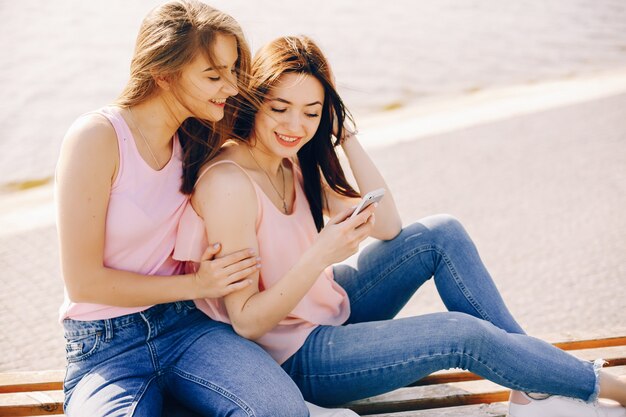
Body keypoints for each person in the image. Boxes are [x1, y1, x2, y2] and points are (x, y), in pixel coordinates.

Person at [175, 35, 626, 417]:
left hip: (328, 307)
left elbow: (388, 225)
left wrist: (344, 135)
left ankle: (531, 380)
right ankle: (599, 386)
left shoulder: (290, 160)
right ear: (254, 100)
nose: (295, 125)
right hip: (296, 356)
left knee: (439, 232)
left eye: (312, 112)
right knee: (459, 334)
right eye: (281, 108)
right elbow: (248, 322)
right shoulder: (229, 183)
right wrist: (319, 257)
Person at [55, 2, 314, 416]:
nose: (230, 87)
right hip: (105, 347)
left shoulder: (200, 138)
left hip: (187, 329)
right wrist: (198, 285)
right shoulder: (97, 138)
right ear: (162, 73)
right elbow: (84, 282)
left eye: (232, 71)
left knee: (281, 410)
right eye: (213, 75)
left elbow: (280, 126)